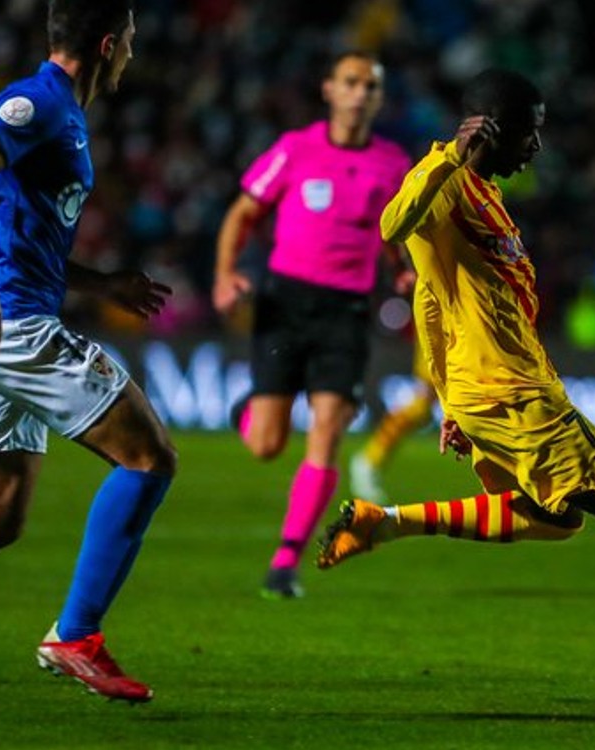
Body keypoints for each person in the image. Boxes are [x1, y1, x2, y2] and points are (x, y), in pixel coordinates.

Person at [316, 69, 595, 713]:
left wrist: (449, 400)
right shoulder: (446, 183)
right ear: (490, 129)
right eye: (529, 131)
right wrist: (450, 155)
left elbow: (434, 303)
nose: (535, 145)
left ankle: (383, 523)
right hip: (509, 393)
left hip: (497, 389)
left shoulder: (485, 195)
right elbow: (393, 223)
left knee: (553, 518)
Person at [0, 0, 176, 703]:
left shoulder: (63, 113)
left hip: (12, 323)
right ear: (106, 44)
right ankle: (75, 636)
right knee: (149, 456)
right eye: (129, 39)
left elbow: (19, 233)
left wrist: (102, 284)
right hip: (16, 329)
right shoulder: (35, 105)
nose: (132, 52)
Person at [212, 51, 411, 599]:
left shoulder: (393, 164)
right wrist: (226, 274)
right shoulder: (295, 149)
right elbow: (242, 212)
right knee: (266, 445)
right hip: (286, 301)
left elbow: (395, 231)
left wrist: (400, 269)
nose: (360, 93)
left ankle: (285, 562)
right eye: (351, 82)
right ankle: (248, 413)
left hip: (347, 309)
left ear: (379, 97)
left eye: (370, 86)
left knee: (328, 428)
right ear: (329, 89)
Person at [349, 341, 437, 503]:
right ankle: (369, 459)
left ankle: (370, 460)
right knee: (423, 402)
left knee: (424, 403)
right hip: (448, 332)